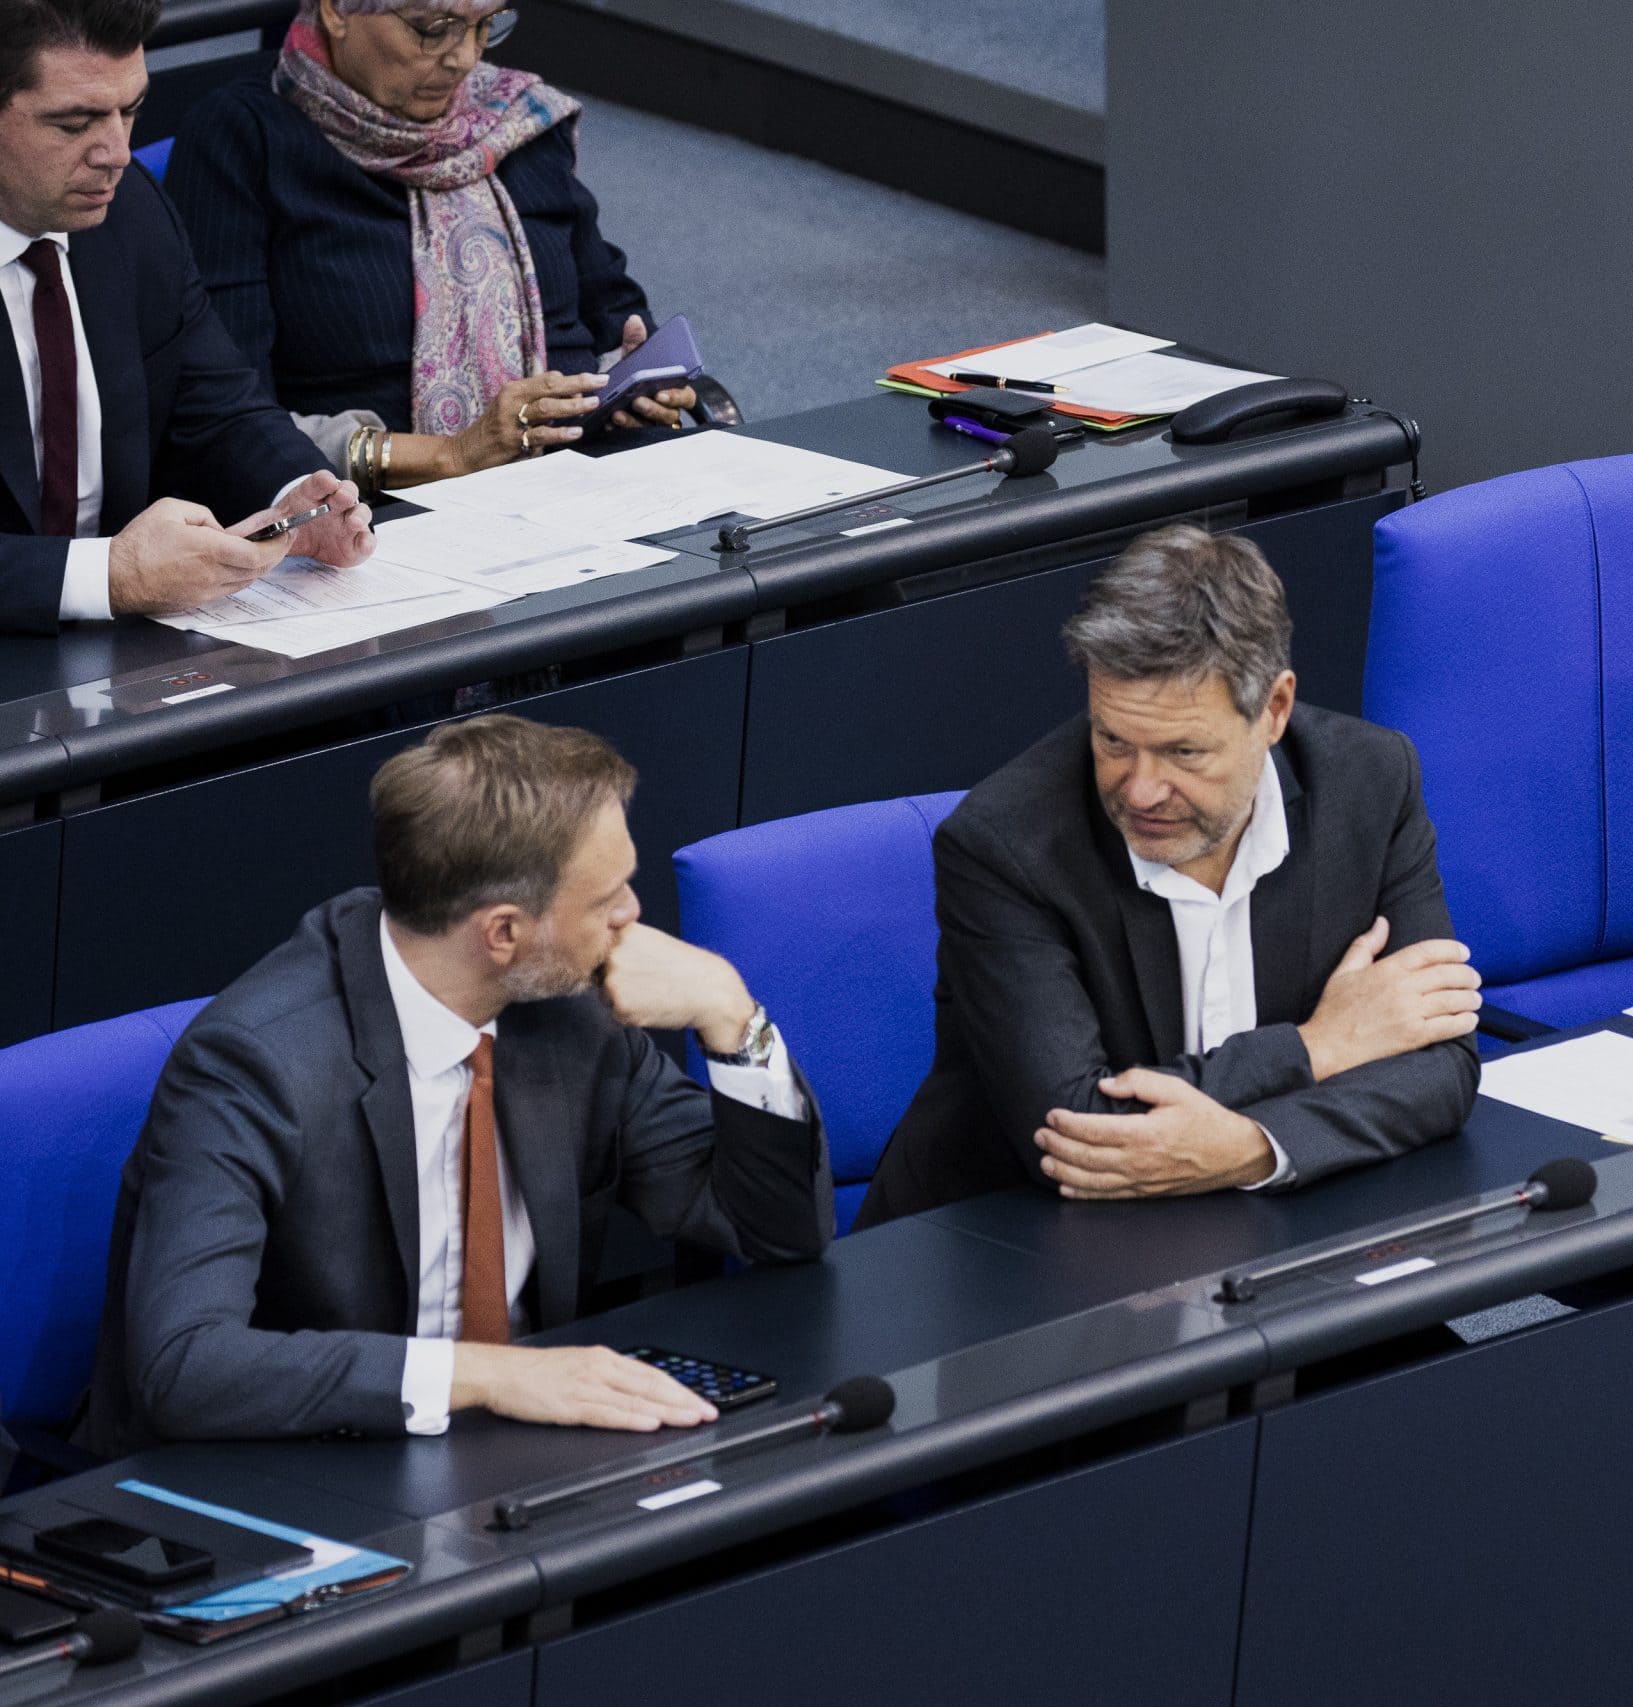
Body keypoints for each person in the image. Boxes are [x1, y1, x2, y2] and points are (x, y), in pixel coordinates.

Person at [78, 716, 832, 1456]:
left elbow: (776, 1228)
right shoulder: (254, 1066)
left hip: (510, 1455)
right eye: (608, 898)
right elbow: (183, 1365)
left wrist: (734, 1015)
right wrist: (485, 1376)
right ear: (503, 932)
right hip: (304, 1463)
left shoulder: (573, 1017)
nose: (633, 916)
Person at [857, 524, 1483, 1225]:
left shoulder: (1370, 782)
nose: (1142, 789)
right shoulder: (1005, 847)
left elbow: (1440, 1063)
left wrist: (1252, 1147)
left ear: (1274, 710)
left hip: (1256, 1227)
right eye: (1113, 741)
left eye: (1184, 751)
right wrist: (1322, 1045)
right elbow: (1081, 1126)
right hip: (1014, 1252)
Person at [164, 0, 697, 495]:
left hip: (584, 477)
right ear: (336, 10)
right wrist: (452, 455)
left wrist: (640, 385)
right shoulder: (243, 139)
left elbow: (611, 305)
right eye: (433, 28)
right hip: (375, 508)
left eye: (486, 24)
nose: (464, 58)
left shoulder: (517, 120)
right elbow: (230, 414)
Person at [0, 0, 370, 635]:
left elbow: (218, 408)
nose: (117, 152)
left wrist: (295, 498)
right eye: (74, 124)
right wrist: (107, 575)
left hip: (124, 642)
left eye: (131, 110)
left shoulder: (131, 212)